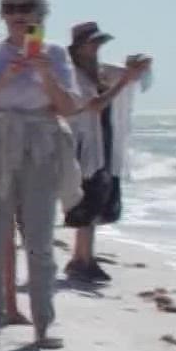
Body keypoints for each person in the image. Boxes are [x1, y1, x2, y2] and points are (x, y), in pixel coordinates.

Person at [0, 0, 85, 351]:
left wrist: (45, 74)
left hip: (40, 147)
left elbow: (69, 107)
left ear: (41, 13)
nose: (17, 15)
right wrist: (6, 76)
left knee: (40, 241)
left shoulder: (57, 53)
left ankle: (43, 325)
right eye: (10, 8)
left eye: (25, 7)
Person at [64, 22, 155, 283]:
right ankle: (81, 258)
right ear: (79, 47)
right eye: (91, 43)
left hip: (102, 139)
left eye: (97, 44)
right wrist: (124, 80)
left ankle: (84, 256)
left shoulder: (100, 72)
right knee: (86, 198)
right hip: (82, 143)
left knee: (97, 197)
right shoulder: (73, 75)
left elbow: (134, 75)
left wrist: (136, 67)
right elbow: (94, 105)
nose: (95, 48)